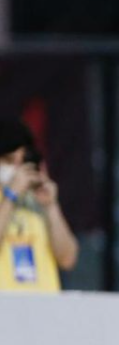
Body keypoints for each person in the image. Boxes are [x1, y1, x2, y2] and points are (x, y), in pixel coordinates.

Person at [0, 120, 79, 291]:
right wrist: (10, 196)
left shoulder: (36, 203)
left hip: (42, 308)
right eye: (9, 160)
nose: (17, 169)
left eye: (22, 161)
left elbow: (68, 259)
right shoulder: (7, 200)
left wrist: (51, 207)